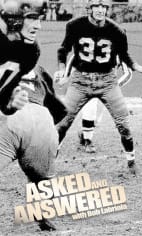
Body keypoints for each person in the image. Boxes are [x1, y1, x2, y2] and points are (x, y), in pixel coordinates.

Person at [54, 0, 142, 175]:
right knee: (62, 123)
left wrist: (136, 66)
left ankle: (131, 163)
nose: (100, 10)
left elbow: (124, 54)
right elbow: (64, 49)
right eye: (96, 6)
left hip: (107, 81)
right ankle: (47, 163)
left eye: (103, 6)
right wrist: (61, 71)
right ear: (89, 8)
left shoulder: (116, 30)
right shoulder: (75, 25)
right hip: (80, 80)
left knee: (124, 124)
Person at [0, 0, 67, 231]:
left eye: (39, 18)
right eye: (32, 18)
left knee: (41, 174)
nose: (38, 25)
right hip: (40, 119)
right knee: (42, 179)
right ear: (14, 19)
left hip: (22, 120)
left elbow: (4, 97)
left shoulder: (30, 50)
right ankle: (43, 213)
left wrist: (9, 103)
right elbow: (60, 111)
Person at [61, 54, 134, 153]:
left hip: (106, 89)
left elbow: (128, 73)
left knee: (96, 119)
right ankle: (88, 141)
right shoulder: (91, 45)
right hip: (88, 85)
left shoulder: (118, 51)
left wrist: (115, 85)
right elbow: (74, 57)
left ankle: (84, 133)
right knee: (90, 109)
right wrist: (66, 76)